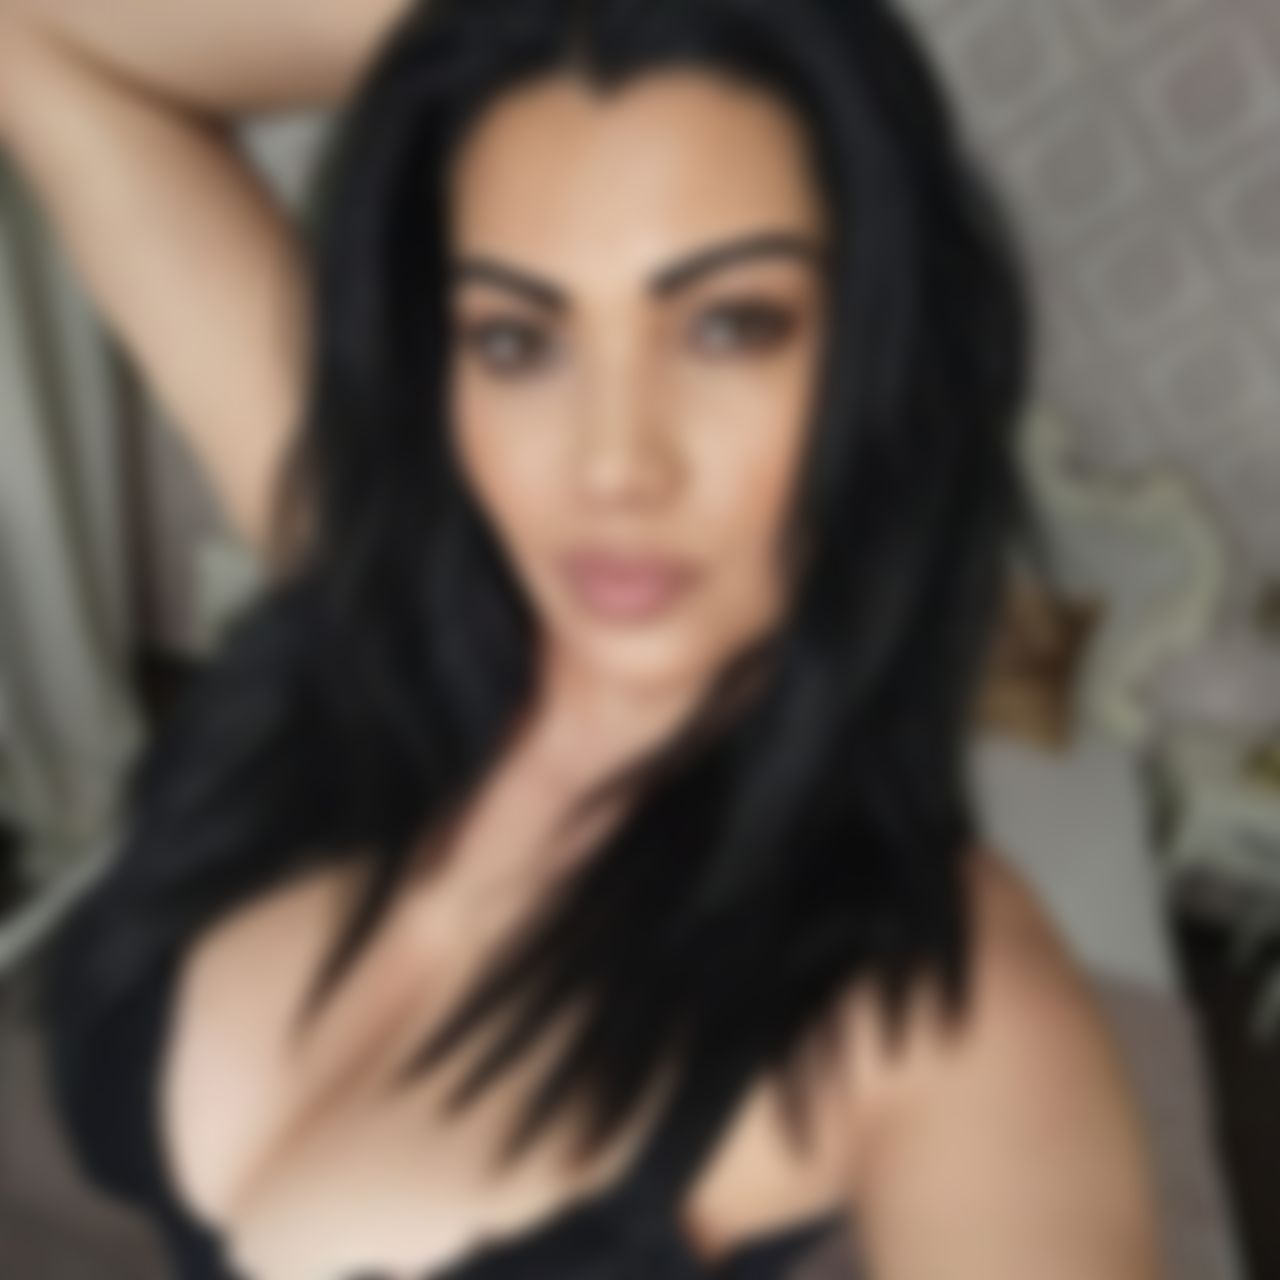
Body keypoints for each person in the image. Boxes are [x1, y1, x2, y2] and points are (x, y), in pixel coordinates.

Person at [0, 1, 1164, 1278]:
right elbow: (43, 38)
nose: (610, 466)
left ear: (886, 359)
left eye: (729, 325)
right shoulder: (374, 578)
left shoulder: (954, 1004)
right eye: (515, 339)